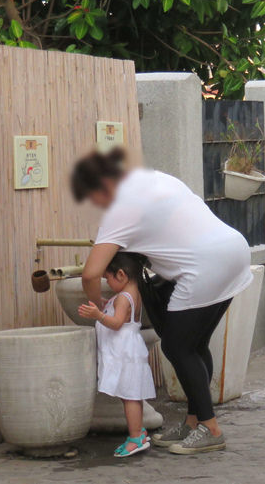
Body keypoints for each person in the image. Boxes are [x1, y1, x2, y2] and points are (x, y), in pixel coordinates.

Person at [71, 148, 253, 455]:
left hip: (202, 268)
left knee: (177, 347)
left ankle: (210, 428)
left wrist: (100, 305)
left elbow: (90, 274)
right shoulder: (157, 180)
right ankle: (194, 422)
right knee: (194, 345)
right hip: (234, 251)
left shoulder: (119, 211)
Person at [78, 252, 156, 458]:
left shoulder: (123, 297)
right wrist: (107, 305)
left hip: (124, 351)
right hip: (128, 350)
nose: (107, 282)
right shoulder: (132, 292)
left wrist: (98, 315)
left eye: (108, 278)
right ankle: (139, 432)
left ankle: (135, 438)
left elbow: (117, 323)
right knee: (132, 394)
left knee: (129, 396)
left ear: (120, 275)